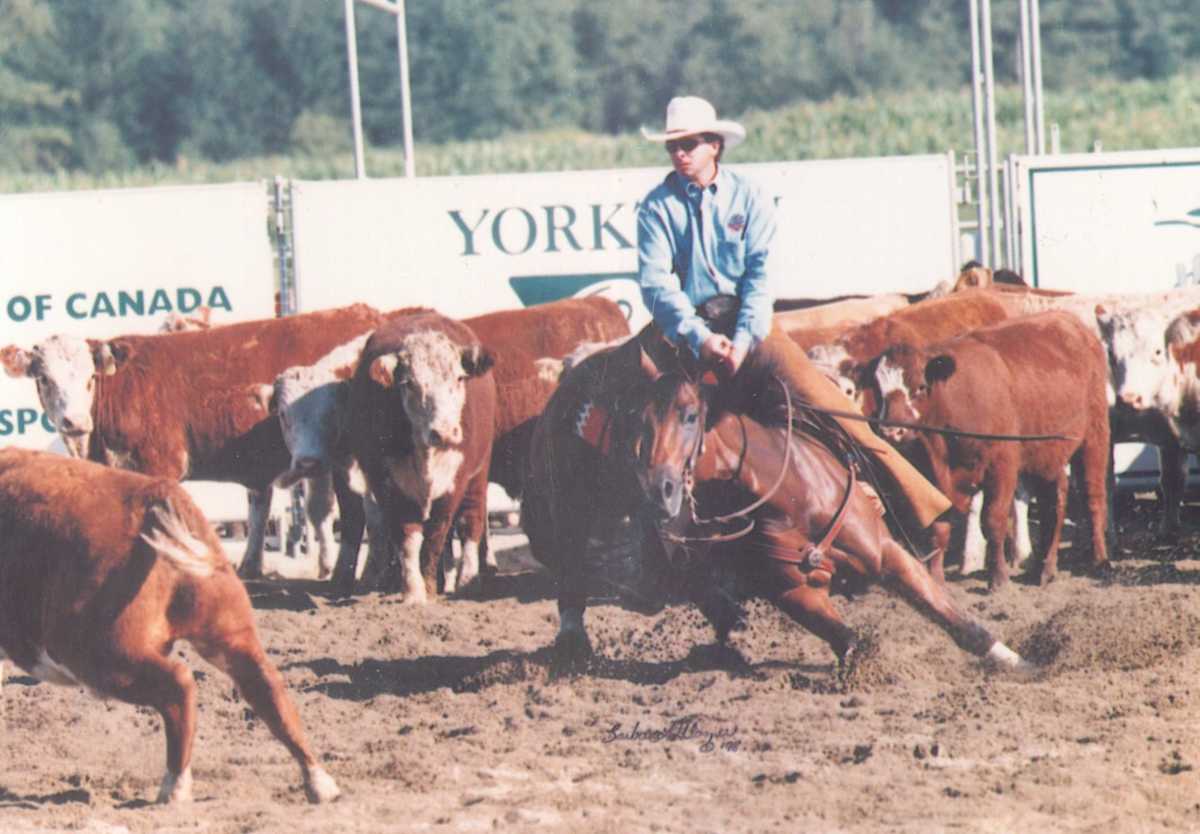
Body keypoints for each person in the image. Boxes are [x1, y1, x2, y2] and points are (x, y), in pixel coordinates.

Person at [636, 95, 951, 529]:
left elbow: (759, 278)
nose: (679, 153)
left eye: (689, 143)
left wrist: (743, 341)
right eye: (673, 146)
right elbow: (656, 283)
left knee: (827, 402)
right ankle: (627, 529)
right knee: (629, 401)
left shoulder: (748, 197)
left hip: (750, 327)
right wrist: (701, 337)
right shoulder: (657, 206)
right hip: (687, 332)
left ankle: (909, 507)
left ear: (714, 144)